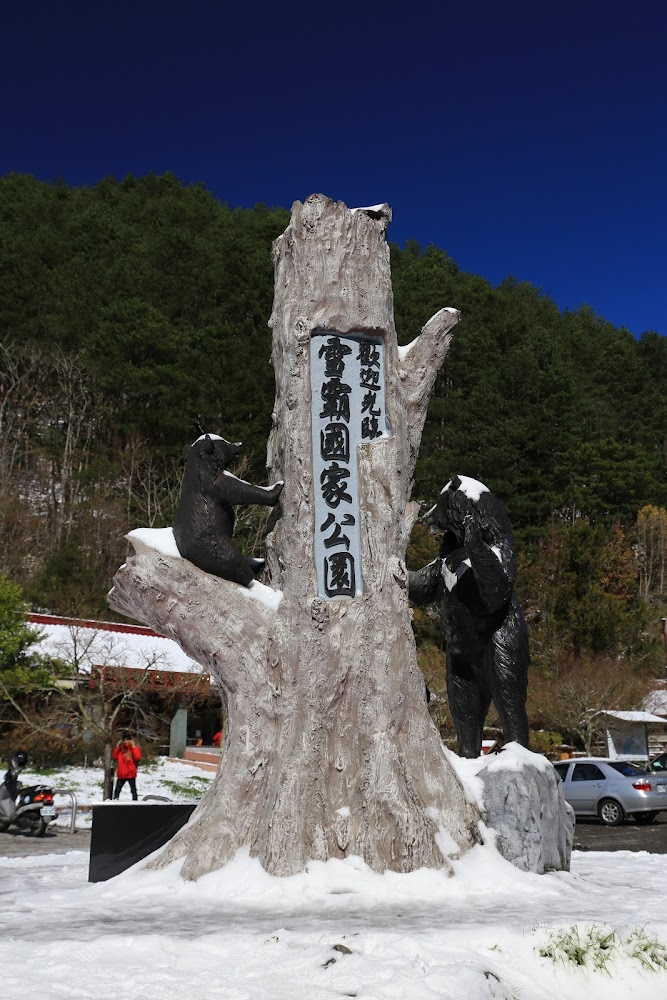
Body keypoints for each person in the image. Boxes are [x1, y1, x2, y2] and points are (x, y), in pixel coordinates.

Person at [112, 733, 141, 800]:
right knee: (117, 790)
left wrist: (133, 747)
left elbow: (137, 757)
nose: (126, 741)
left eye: (127, 740)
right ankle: (115, 802)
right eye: (124, 740)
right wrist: (117, 747)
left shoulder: (133, 749)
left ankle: (135, 802)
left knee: (133, 790)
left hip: (130, 773)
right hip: (121, 774)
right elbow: (114, 756)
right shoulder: (120, 750)